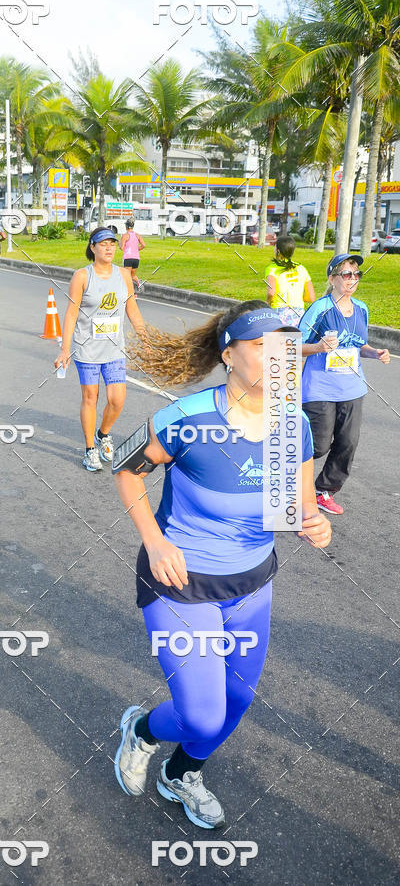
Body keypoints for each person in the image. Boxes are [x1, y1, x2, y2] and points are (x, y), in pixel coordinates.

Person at [112, 301, 331, 828]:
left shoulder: (292, 422)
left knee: (234, 703)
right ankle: (142, 731)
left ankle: (181, 773)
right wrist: (155, 542)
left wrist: (314, 522)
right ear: (230, 355)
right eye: (263, 347)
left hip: (253, 583)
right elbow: (126, 471)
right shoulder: (187, 418)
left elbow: (300, 502)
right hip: (182, 583)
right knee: (200, 714)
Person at [299, 253, 390, 515]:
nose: (352, 279)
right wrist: (318, 346)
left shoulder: (361, 308)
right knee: (318, 445)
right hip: (319, 389)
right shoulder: (320, 308)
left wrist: (375, 353)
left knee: (348, 443)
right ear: (332, 279)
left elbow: (358, 344)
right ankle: (284, 476)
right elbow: (291, 345)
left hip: (352, 388)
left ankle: (323, 491)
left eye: (356, 274)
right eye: (346, 274)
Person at [54, 226, 147, 471]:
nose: (108, 248)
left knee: (117, 399)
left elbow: (132, 310)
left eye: (112, 244)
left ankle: (103, 434)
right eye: (103, 244)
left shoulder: (124, 275)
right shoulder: (82, 276)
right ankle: (89, 450)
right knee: (91, 397)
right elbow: (72, 313)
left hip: (114, 349)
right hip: (87, 349)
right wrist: (65, 349)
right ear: (92, 247)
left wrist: (146, 338)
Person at [265, 234, 315, 326]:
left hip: (279, 312)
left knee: (273, 340)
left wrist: (267, 303)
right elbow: (311, 297)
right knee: (294, 340)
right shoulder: (301, 268)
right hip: (299, 315)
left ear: (278, 251)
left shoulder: (272, 268)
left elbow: (271, 292)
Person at [119, 218, 146, 296]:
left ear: (126, 226)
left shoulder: (125, 235)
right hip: (136, 258)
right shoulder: (137, 235)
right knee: (132, 275)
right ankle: (138, 282)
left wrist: (119, 243)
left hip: (128, 258)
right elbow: (144, 245)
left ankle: (132, 293)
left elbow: (122, 248)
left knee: (127, 277)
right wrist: (136, 249)